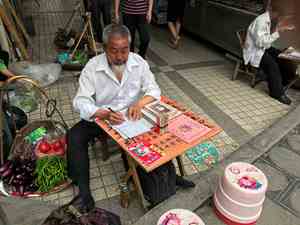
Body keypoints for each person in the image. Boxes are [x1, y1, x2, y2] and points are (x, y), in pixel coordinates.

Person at [67, 24, 161, 212]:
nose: (120, 57)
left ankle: (166, 178)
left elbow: (154, 90)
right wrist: (98, 112)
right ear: (104, 47)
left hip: (131, 116)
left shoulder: (138, 62)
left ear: (130, 46)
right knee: (74, 137)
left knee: (161, 128)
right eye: (114, 51)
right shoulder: (93, 67)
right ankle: (84, 192)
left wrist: (139, 104)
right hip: (104, 117)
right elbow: (80, 101)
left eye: (124, 50)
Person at [243, 1, 295, 105]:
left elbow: (265, 41)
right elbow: (260, 43)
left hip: (262, 48)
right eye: (279, 15)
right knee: (272, 65)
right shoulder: (261, 21)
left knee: (281, 56)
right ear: (275, 12)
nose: (279, 17)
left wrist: (279, 29)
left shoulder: (268, 19)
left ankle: (282, 82)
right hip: (255, 51)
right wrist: (278, 32)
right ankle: (277, 93)